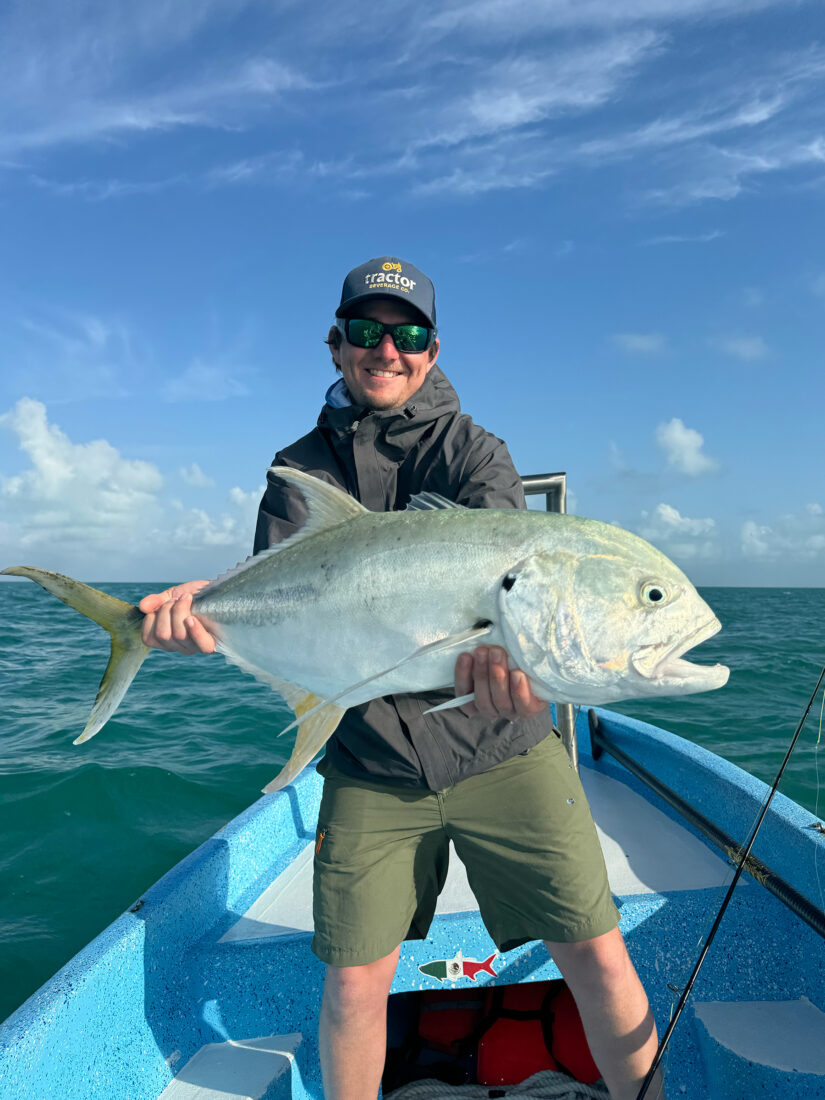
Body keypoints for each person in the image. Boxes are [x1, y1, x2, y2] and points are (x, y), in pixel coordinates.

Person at [140, 257, 664, 1100]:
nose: (387, 348)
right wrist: (200, 626)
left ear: (432, 347)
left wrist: (520, 668)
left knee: (596, 951)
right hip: (371, 758)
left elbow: (507, 586)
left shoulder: (472, 451)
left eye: (408, 332)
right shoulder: (298, 469)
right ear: (336, 342)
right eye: (366, 330)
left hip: (501, 750)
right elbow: (279, 605)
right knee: (352, 982)